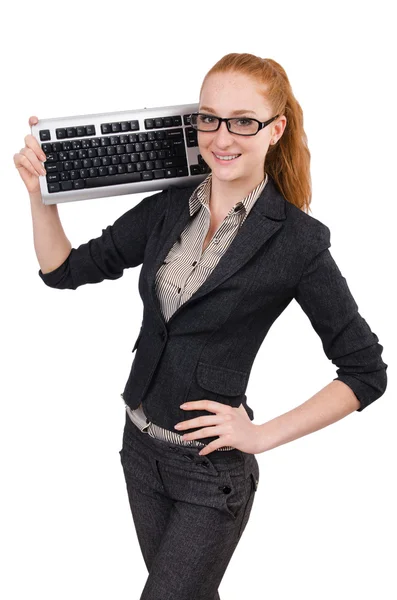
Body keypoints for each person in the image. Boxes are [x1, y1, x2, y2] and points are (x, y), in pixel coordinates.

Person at [14, 53, 388, 600]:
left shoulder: (297, 242)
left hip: (208, 475)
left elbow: (365, 371)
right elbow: (63, 271)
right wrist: (40, 194)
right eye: (209, 118)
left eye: (243, 121)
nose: (221, 137)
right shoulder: (168, 207)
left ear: (275, 129)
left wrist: (260, 435)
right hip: (139, 454)